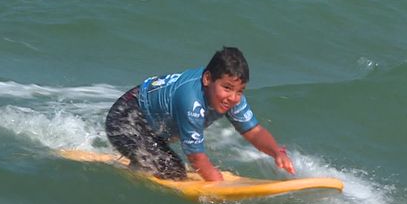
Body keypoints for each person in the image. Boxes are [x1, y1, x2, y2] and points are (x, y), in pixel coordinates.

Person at [105, 47, 295, 181]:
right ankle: (132, 174)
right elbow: (195, 156)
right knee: (174, 172)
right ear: (207, 79)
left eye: (240, 90)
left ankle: (139, 166)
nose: (233, 97)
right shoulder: (191, 101)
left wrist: (275, 152)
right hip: (124, 119)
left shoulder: (231, 97)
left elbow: (254, 131)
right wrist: (215, 182)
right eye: (227, 88)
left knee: (168, 164)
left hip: (149, 126)